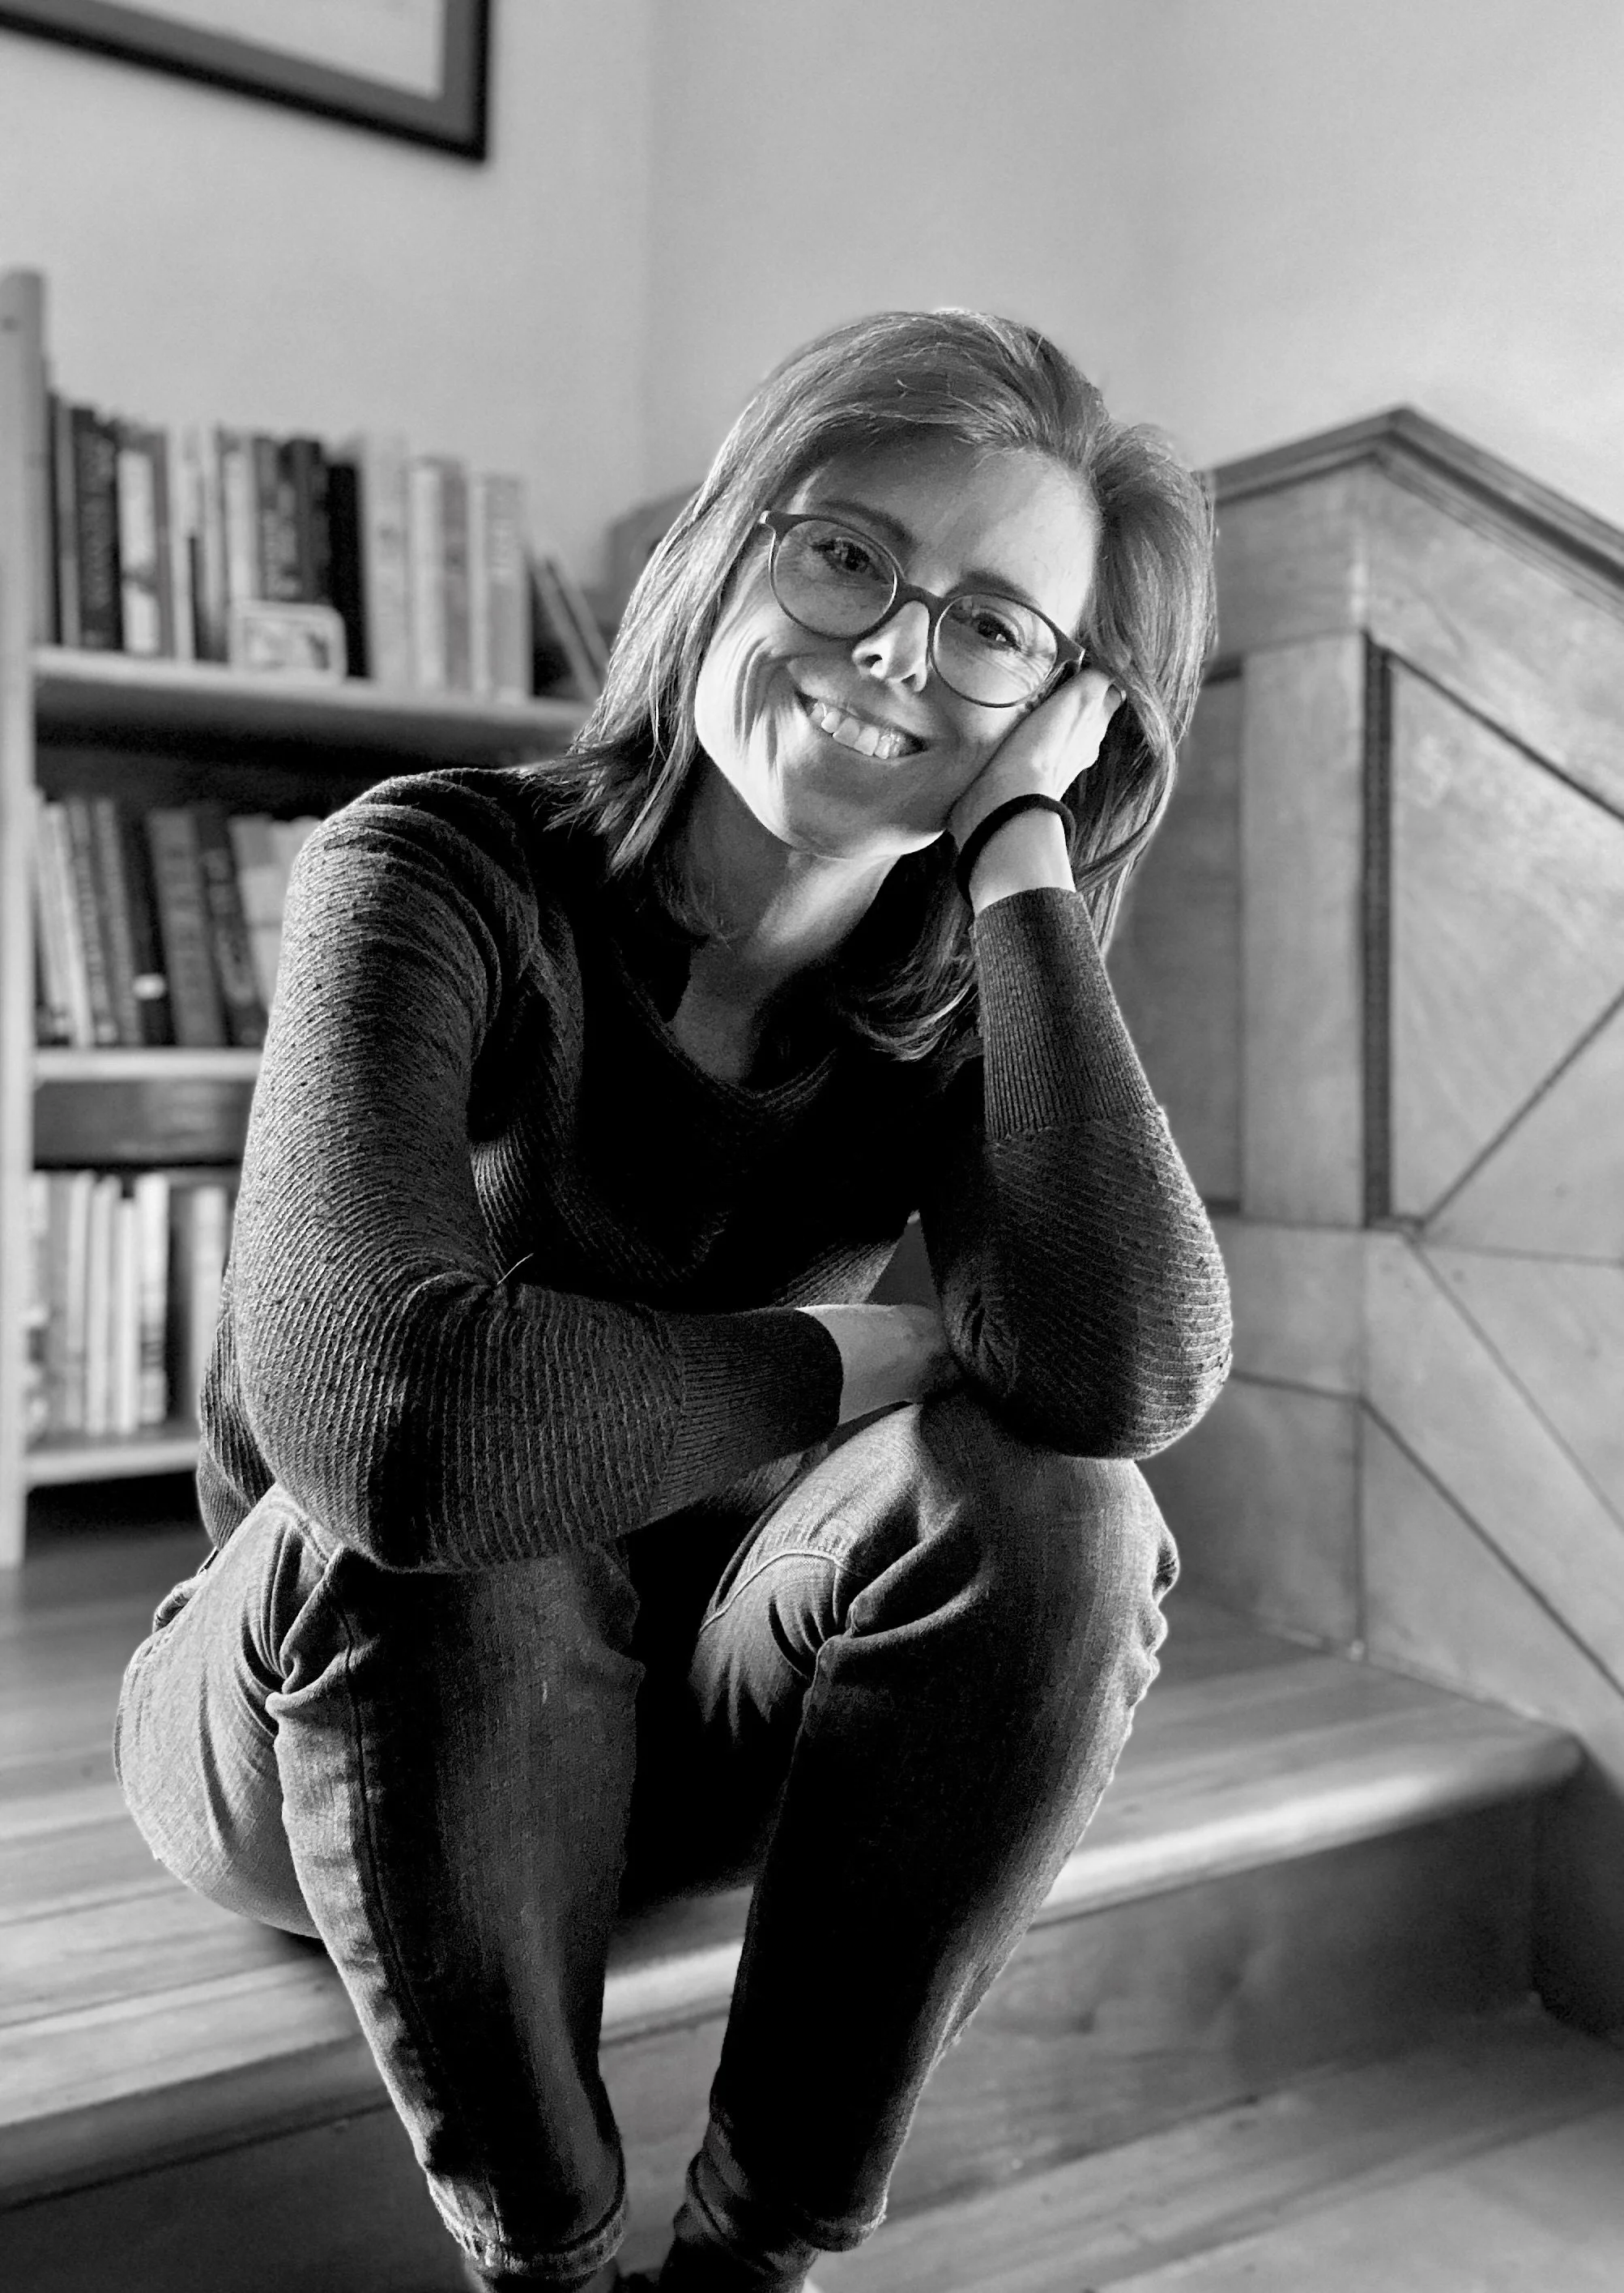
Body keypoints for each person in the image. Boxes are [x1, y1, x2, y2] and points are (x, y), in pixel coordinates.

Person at [114, 308, 1231, 2293]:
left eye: (994, 627)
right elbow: (398, 1428)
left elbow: (1119, 1370)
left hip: (665, 1713)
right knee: (467, 1520)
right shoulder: (435, 873)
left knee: (1068, 1503)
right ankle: (543, 2262)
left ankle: (752, 2259)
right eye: (848, 554)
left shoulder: (949, 992)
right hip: (317, 1715)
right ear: (729, 550)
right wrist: (855, 1356)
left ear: (1064, 708)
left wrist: (1030, 871)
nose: (898, 647)